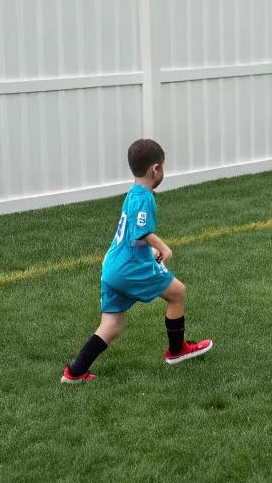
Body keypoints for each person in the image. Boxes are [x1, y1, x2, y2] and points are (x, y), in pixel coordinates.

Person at [61, 137, 212, 382]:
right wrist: (163, 247)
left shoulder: (132, 194)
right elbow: (141, 231)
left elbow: (133, 236)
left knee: (112, 324)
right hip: (130, 268)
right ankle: (177, 351)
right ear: (156, 169)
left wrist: (150, 253)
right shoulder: (144, 197)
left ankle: (74, 372)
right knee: (178, 293)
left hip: (112, 265)